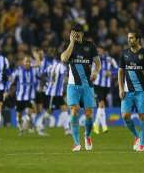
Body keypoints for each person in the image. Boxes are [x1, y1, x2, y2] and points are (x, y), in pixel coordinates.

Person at [61, 23, 101, 151]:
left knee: (89, 114)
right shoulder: (68, 45)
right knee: (74, 110)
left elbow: (98, 63)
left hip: (87, 85)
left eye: (78, 32)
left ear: (82, 34)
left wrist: (95, 72)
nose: (76, 34)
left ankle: (87, 136)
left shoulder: (90, 46)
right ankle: (76, 142)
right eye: (73, 32)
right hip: (73, 85)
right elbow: (63, 58)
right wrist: (71, 43)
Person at [118, 30, 144, 152]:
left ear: (138, 39)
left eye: (132, 38)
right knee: (125, 115)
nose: (129, 40)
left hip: (141, 91)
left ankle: (142, 144)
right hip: (127, 91)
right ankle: (136, 136)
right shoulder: (124, 54)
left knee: (142, 116)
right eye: (128, 38)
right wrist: (121, 88)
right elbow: (121, 71)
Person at [8, 55, 40, 135]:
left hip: (30, 96)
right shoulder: (18, 71)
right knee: (19, 115)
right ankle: (21, 126)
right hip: (20, 97)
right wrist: (6, 89)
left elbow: (40, 76)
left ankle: (29, 124)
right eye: (26, 61)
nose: (28, 63)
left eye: (29, 61)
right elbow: (11, 80)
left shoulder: (34, 70)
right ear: (23, 62)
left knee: (32, 111)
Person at [93, 45, 118, 134]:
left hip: (107, 86)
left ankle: (96, 124)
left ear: (103, 51)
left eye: (99, 50)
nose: (98, 52)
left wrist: (111, 72)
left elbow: (118, 69)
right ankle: (103, 126)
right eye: (97, 50)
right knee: (101, 104)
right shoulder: (94, 60)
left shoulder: (110, 60)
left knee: (102, 106)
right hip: (97, 85)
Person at [43, 55, 71, 135]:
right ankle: (41, 126)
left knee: (64, 108)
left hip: (55, 93)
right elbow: (65, 78)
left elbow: (44, 74)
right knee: (49, 111)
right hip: (53, 93)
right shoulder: (62, 67)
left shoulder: (51, 65)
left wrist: (48, 83)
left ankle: (67, 129)